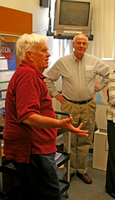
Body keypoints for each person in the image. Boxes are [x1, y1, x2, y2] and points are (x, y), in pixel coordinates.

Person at [3, 33, 89, 200]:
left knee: (36, 193)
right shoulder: (27, 76)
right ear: (30, 54)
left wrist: (60, 125)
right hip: (34, 150)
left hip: (37, 148)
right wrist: (60, 124)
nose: (48, 54)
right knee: (49, 195)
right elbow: (27, 116)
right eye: (44, 50)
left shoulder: (30, 74)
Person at [45, 33, 111, 184]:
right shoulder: (63, 62)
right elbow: (48, 78)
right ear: (73, 45)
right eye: (79, 43)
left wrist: (99, 87)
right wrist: (55, 94)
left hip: (88, 106)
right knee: (69, 139)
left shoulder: (94, 61)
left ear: (87, 46)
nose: (81, 46)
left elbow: (108, 73)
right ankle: (69, 170)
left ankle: (81, 171)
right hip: (70, 106)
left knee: (85, 139)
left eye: (84, 43)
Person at [105, 71, 115, 199]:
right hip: (113, 121)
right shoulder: (113, 75)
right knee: (114, 155)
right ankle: (111, 187)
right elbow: (113, 99)